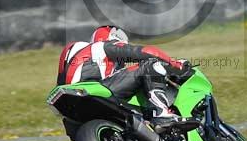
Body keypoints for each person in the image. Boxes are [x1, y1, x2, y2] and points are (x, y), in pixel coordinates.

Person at [57, 26, 191, 122]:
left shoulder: (76, 53)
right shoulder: (102, 47)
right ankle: (162, 112)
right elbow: (145, 52)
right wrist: (175, 64)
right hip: (96, 91)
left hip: (69, 105)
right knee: (150, 64)